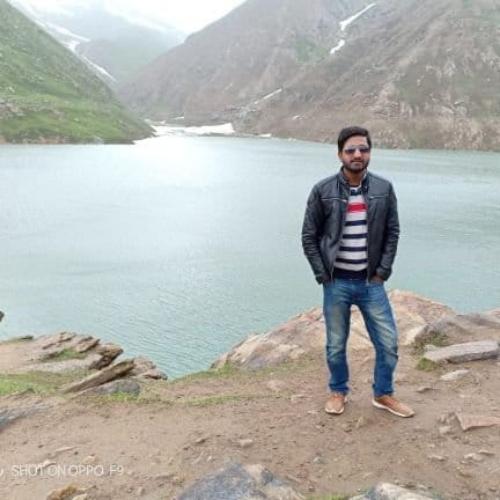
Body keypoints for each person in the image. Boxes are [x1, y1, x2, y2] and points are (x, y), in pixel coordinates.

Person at [301, 126, 414, 418]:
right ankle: (338, 391)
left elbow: (392, 232)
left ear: (369, 153)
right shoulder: (323, 190)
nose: (357, 154)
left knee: (388, 343)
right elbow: (309, 236)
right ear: (340, 154)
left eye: (363, 149)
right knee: (336, 344)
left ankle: (383, 393)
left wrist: (382, 272)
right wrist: (323, 275)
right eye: (350, 150)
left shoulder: (383, 189)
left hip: (370, 282)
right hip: (336, 282)